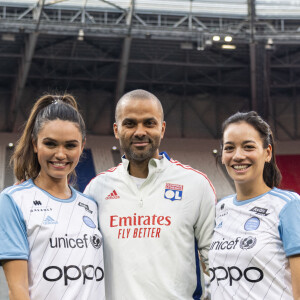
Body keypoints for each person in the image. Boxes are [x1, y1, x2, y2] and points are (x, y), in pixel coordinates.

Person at [84, 89, 216, 299]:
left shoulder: (196, 185)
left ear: (162, 129)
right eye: (130, 123)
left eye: (149, 123)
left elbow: (217, 263)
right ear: (116, 130)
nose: (139, 131)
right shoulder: (96, 189)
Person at [0, 94, 105, 300]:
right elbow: (18, 291)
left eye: (70, 145)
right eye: (50, 144)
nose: (60, 154)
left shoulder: (91, 204)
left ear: (82, 146)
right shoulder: (13, 201)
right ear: (35, 144)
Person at [208, 111, 300, 299]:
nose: (238, 156)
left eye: (248, 147)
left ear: (267, 153)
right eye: (229, 148)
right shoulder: (219, 209)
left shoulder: (288, 206)